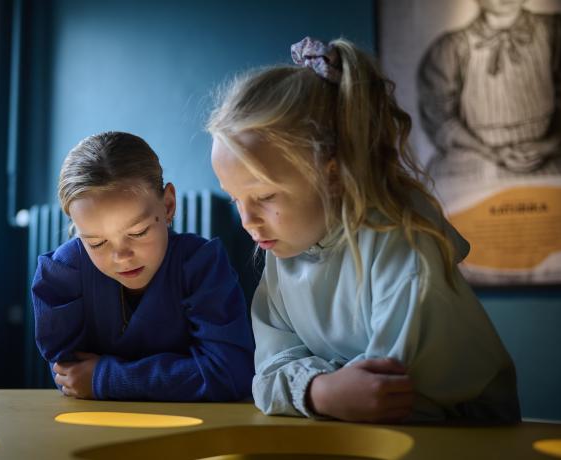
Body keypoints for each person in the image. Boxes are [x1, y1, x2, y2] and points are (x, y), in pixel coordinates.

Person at [207, 36, 520, 423]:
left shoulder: (402, 241)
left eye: (265, 196)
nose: (246, 221)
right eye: (235, 199)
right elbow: (266, 376)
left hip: (464, 435)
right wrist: (318, 390)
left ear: (333, 175)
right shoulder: (282, 248)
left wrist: (313, 385)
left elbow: (383, 391)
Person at [32, 131, 254, 402]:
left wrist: (106, 378)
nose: (122, 256)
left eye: (138, 232)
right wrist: (183, 374)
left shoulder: (201, 265)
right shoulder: (61, 274)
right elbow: (70, 378)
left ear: (168, 205)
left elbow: (230, 374)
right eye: (96, 242)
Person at [418, 0, 561, 176]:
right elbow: (438, 115)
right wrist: (490, 152)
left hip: (551, 155)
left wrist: (551, 143)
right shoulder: (451, 47)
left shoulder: (556, 31)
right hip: (476, 159)